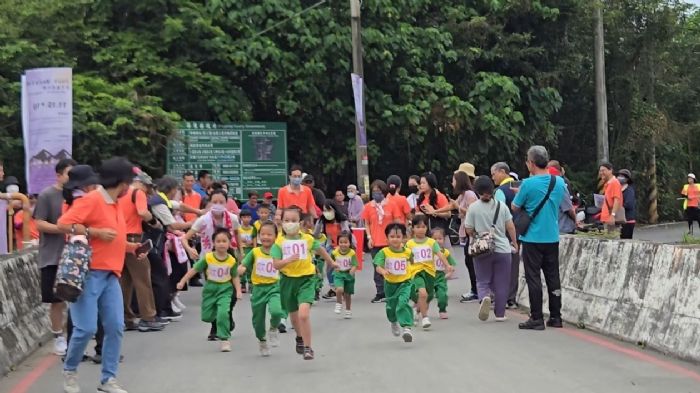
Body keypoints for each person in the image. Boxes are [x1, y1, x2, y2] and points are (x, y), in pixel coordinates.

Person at [58, 157, 144, 393]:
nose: (130, 187)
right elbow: (63, 223)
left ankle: (108, 379)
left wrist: (133, 248)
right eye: (129, 181)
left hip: (110, 275)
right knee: (85, 328)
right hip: (89, 273)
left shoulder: (116, 204)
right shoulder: (92, 200)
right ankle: (70, 370)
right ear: (122, 182)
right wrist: (93, 231)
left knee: (115, 327)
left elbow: (113, 238)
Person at [270, 207, 337, 360]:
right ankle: (299, 337)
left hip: (306, 279)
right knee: (294, 317)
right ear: (282, 222)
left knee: (304, 314)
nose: (290, 224)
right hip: (288, 281)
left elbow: (320, 250)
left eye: (293, 220)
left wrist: (331, 262)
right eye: (287, 220)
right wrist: (286, 260)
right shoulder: (279, 242)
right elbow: (276, 265)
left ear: (300, 223)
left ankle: (308, 347)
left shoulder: (307, 238)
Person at [512, 146, 566, 331]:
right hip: (552, 236)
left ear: (532, 163)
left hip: (533, 238)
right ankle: (556, 316)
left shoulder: (528, 184)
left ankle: (536, 317)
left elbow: (515, 206)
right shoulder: (559, 182)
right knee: (553, 276)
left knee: (533, 277)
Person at [180, 189, 240, 339]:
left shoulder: (232, 218)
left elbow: (237, 234)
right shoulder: (203, 220)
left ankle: (227, 315)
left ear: (227, 203)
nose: (218, 205)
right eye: (215, 202)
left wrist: (241, 252)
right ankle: (214, 327)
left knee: (230, 293)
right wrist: (190, 248)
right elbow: (184, 238)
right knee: (214, 293)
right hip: (209, 258)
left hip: (228, 256)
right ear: (210, 203)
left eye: (221, 202)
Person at [33, 157, 76, 356]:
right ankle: (58, 336)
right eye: (69, 173)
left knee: (76, 299)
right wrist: (62, 228)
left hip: (75, 255)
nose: (71, 178)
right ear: (59, 175)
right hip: (52, 255)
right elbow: (39, 223)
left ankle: (74, 335)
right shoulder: (47, 195)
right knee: (56, 300)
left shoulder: (77, 196)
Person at [177, 229, 243, 352]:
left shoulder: (231, 260)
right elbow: (194, 270)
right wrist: (182, 281)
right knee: (207, 317)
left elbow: (234, 276)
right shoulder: (208, 258)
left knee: (223, 313)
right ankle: (220, 320)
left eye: (224, 241)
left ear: (229, 243)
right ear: (213, 243)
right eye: (218, 241)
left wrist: (238, 291)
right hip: (210, 289)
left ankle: (225, 339)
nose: (221, 244)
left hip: (225, 289)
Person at [465, 176, 518, 322]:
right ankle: (500, 314)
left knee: (482, 279)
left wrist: (477, 233)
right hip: (502, 248)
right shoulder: (502, 206)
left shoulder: (473, 207)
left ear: (477, 191)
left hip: (482, 248)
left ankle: (484, 298)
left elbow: (468, 229)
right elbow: (510, 226)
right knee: (502, 282)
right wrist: (514, 243)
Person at [420, 171, 478, 302]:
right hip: (465, 232)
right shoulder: (462, 195)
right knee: (469, 262)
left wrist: (458, 207)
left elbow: (473, 211)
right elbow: (450, 206)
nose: (452, 183)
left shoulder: (469, 194)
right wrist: (435, 211)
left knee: (471, 262)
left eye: (454, 180)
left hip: (472, 232)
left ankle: (476, 291)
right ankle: (474, 290)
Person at [118, 170, 163, 333]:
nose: (148, 192)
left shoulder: (120, 193)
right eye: (148, 188)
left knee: (125, 281)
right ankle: (148, 317)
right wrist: (154, 222)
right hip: (133, 239)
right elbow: (143, 212)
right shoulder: (138, 193)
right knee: (143, 278)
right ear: (143, 184)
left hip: (119, 239)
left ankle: (126, 317)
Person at [238, 221, 284, 357]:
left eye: (269, 234)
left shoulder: (279, 252)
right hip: (258, 289)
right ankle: (262, 340)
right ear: (258, 236)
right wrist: (240, 269)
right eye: (262, 234)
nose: (265, 237)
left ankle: (274, 328)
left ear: (276, 236)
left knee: (276, 311)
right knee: (258, 321)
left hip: (274, 287)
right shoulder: (255, 252)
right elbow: (244, 265)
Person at [405, 215, 451, 329]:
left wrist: (447, 265)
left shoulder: (431, 242)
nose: (421, 229)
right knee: (423, 293)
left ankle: (417, 310)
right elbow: (405, 257)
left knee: (428, 296)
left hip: (430, 273)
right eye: (418, 227)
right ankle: (425, 318)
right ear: (413, 228)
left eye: (423, 226)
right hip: (416, 272)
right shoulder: (410, 243)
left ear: (427, 228)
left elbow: (439, 254)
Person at [373, 223, 415, 343]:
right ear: (387, 238)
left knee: (403, 302)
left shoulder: (407, 252)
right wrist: (383, 271)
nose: (395, 239)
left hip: (405, 282)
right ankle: (393, 321)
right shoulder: (384, 252)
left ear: (403, 238)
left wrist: (412, 272)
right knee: (391, 307)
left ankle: (407, 327)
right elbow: (377, 266)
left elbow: (412, 261)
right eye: (392, 236)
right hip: (390, 284)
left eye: (398, 236)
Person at [362, 180, 400, 303]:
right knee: (377, 267)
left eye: (378, 191)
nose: (376, 194)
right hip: (375, 242)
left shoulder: (391, 204)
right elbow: (366, 223)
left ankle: (393, 291)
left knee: (391, 267)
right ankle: (380, 292)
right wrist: (369, 237)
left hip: (389, 242)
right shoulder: (368, 206)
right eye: (374, 191)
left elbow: (397, 221)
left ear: (384, 192)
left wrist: (399, 237)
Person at [490, 162, 520, 308]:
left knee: (500, 265)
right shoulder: (520, 187)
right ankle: (511, 298)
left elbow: (499, 214)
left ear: (502, 172)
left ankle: (501, 297)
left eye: (494, 174)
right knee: (514, 265)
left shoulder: (500, 191)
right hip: (520, 229)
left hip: (505, 232)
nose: (493, 177)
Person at [315, 200, 352, 299]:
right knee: (329, 268)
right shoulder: (322, 220)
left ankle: (343, 288)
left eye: (328, 210)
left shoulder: (342, 219)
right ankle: (334, 288)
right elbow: (316, 234)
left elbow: (347, 232)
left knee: (343, 268)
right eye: (324, 210)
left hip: (342, 246)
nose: (326, 212)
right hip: (330, 246)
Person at [430, 228, 457, 319]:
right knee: (426, 295)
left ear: (444, 240)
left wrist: (450, 271)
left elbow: (452, 265)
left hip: (441, 276)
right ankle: (420, 309)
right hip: (429, 275)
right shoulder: (428, 252)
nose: (437, 241)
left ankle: (442, 309)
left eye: (440, 238)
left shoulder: (446, 252)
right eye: (435, 239)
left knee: (442, 295)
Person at [331, 231, 358, 318]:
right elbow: (331, 261)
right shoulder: (334, 252)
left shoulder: (352, 253)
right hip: (338, 274)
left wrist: (352, 271)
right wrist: (333, 266)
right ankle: (338, 303)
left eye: (345, 242)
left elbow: (355, 265)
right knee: (339, 289)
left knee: (347, 295)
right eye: (341, 242)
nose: (343, 244)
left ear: (350, 243)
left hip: (348, 275)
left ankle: (348, 310)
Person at [548, 166, 577, 235]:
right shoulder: (560, 187)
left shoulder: (542, 188)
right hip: (563, 228)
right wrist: (576, 221)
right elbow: (569, 209)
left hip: (549, 229)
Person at [599, 162, 623, 231]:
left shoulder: (614, 183)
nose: (601, 173)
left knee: (612, 240)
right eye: (600, 171)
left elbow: (617, 200)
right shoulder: (608, 183)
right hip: (607, 219)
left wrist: (612, 215)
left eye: (603, 170)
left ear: (610, 170)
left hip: (611, 219)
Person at [238, 209, 257, 292]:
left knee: (250, 268)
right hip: (242, 249)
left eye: (248, 217)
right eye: (244, 217)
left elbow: (255, 239)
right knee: (242, 266)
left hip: (250, 249)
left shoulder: (253, 229)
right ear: (241, 218)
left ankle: (250, 283)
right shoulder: (238, 229)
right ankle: (242, 284)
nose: (246, 219)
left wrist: (253, 244)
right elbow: (237, 240)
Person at [618, 169, 636, 239]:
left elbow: (629, 204)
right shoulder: (618, 189)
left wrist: (616, 206)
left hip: (628, 220)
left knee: (625, 241)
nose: (620, 177)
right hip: (619, 220)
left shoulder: (629, 190)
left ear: (627, 179)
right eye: (619, 175)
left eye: (622, 176)